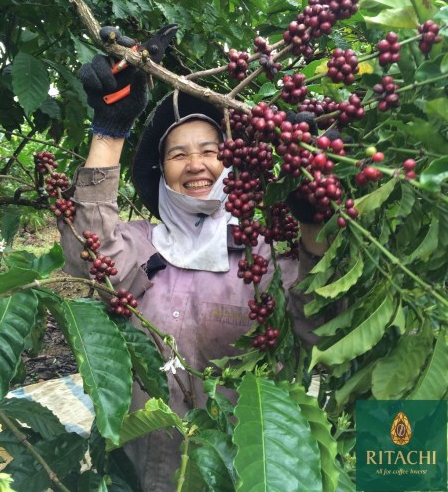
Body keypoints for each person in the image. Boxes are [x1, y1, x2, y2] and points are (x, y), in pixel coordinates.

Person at [59, 27, 329, 491]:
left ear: (234, 163)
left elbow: (316, 317)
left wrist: (314, 223)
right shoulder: (140, 245)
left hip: (237, 469)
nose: (196, 164)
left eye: (210, 151)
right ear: (161, 173)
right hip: (138, 467)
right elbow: (91, 250)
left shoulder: (266, 253)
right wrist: (109, 132)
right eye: (178, 154)